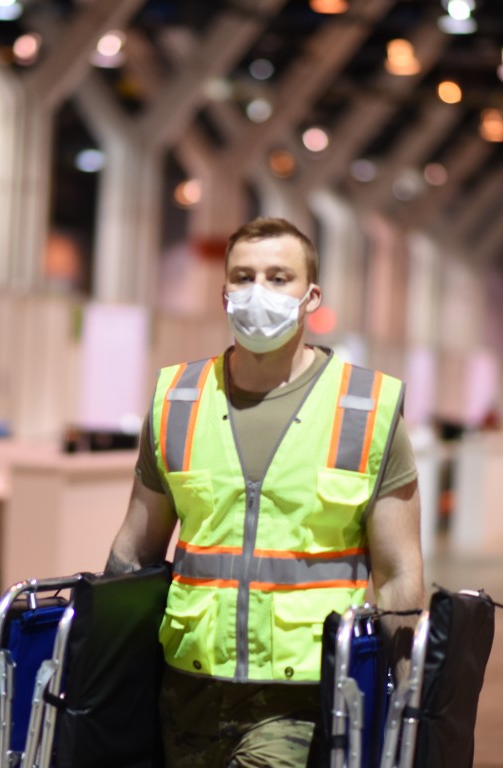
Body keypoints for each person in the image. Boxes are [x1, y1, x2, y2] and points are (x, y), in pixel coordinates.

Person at [105, 217, 424, 768]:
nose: (260, 292)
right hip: (187, 690)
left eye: (279, 278)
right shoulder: (178, 400)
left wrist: (400, 701)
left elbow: (399, 573)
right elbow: (134, 549)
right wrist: (104, 665)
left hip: (304, 695)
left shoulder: (367, 409)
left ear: (311, 295)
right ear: (224, 291)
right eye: (244, 276)